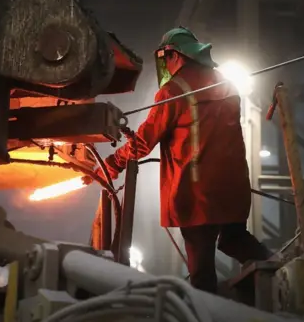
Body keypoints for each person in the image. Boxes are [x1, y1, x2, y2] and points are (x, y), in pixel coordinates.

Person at [89, 26, 272, 294]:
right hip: (233, 187)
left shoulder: (175, 89)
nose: (164, 65)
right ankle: (282, 271)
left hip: (197, 192)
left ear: (175, 55)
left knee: (201, 271)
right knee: (234, 239)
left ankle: (203, 312)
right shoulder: (227, 84)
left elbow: (144, 141)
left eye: (165, 59)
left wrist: (111, 165)